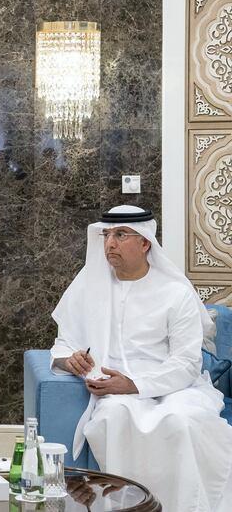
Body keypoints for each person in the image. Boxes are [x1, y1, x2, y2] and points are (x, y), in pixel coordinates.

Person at [50, 205, 232, 511]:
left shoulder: (176, 293)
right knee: (112, 418)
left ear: (145, 242)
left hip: (177, 388)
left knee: (182, 421)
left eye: (121, 235)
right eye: (106, 235)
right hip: (114, 389)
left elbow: (187, 363)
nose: (110, 244)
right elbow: (64, 341)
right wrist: (69, 359)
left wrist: (134, 384)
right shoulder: (88, 288)